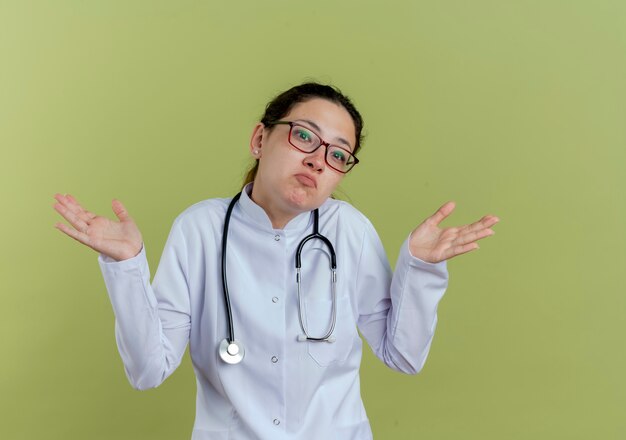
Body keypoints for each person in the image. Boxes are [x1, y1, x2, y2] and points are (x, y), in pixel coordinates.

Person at [53, 82, 499, 440]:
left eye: (338, 154)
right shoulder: (200, 229)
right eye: (305, 135)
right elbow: (148, 371)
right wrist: (126, 266)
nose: (318, 160)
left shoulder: (350, 230)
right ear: (260, 138)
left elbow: (402, 355)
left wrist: (420, 268)